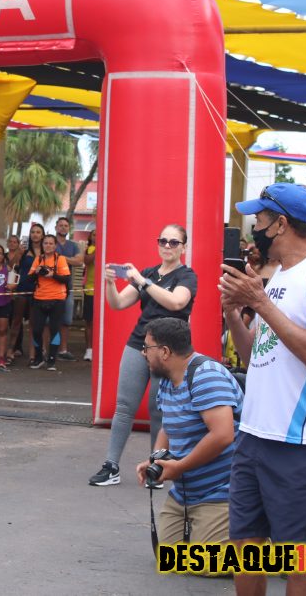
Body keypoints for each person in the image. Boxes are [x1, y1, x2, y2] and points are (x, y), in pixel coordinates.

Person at [221, 183, 306, 596]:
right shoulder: (277, 276)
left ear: (280, 224)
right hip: (254, 434)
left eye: (259, 219)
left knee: (298, 560)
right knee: (245, 547)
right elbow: (255, 357)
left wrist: (260, 303)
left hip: (302, 443)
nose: (254, 227)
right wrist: (234, 315)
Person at [89, 224, 198, 487]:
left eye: (174, 242)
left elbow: (177, 302)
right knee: (124, 406)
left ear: (183, 247)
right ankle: (111, 466)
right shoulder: (148, 273)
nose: (167, 246)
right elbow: (117, 303)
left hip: (169, 350)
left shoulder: (186, 275)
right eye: (163, 241)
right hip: (139, 343)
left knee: (159, 409)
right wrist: (110, 283)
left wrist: (142, 282)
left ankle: (156, 468)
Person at [135, 318, 242, 549]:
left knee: (210, 563)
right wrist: (156, 461)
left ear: (164, 352)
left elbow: (223, 435)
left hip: (222, 490)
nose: (143, 353)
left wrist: (180, 467)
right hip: (185, 492)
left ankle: (260, 537)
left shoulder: (206, 376)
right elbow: (168, 426)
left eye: (147, 347)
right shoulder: (168, 380)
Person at [28, 234, 71, 371]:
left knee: (54, 329)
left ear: (55, 245)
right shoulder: (38, 259)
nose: (48, 246)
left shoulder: (60, 259)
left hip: (57, 299)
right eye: (45, 243)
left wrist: (53, 274)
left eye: (51, 243)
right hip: (40, 298)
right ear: (42, 245)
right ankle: (39, 357)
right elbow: (29, 279)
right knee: (36, 330)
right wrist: (37, 272)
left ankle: (52, 360)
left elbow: (66, 279)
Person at [10, 223, 44, 363]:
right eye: (33, 232)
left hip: (38, 291)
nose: (35, 234)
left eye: (38, 232)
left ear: (42, 235)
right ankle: (10, 351)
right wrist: (18, 253)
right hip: (22, 288)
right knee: (16, 322)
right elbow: (12, 265)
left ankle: (32, 355)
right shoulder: (24, 250)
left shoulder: (45, 251)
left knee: (33, 324)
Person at [54, 216, 84, 361]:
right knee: (48, 321)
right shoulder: (50, 242)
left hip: (67, 287)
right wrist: (69, 259)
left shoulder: (73, 245)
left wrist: (60, 258)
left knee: (66, 320)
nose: (63, 227)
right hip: (50, 286)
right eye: (61, 225)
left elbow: (79, 261)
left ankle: (63, 350)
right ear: (56, 227)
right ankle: (46, 350)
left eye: (66, 225)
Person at [82, 229, 97, 362]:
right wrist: (99, 249)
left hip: (104, 291)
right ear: (90, 237)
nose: (97, 237)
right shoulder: (90, 249)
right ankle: (89, 350)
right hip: (90, 290)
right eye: (94, 235)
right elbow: (87, 261)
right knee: (89, 322)